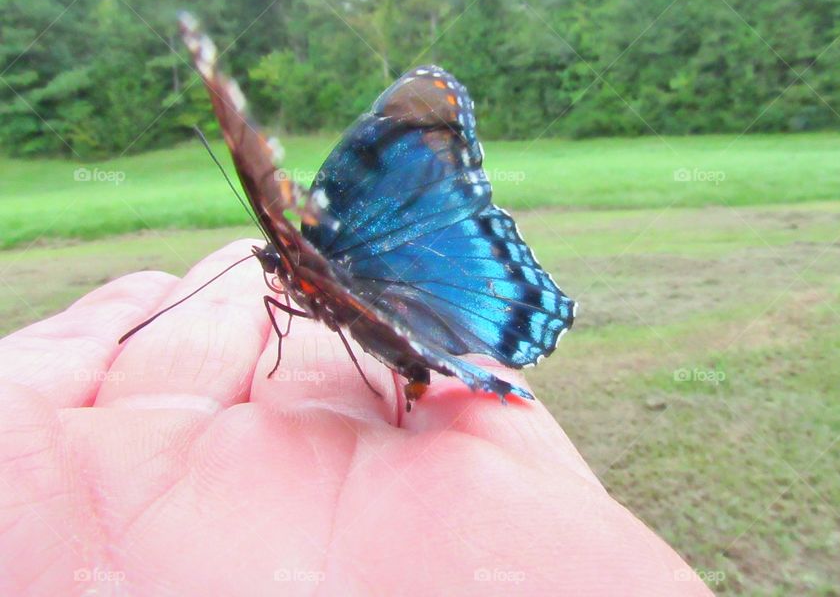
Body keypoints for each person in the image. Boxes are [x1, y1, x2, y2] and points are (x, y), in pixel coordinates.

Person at [0, 240, 713, 595]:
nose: (271, 268)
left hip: (395, 310)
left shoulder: (309, 261)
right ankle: (473, 342)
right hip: (402, 298)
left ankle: (466, 348)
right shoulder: (311, 259)